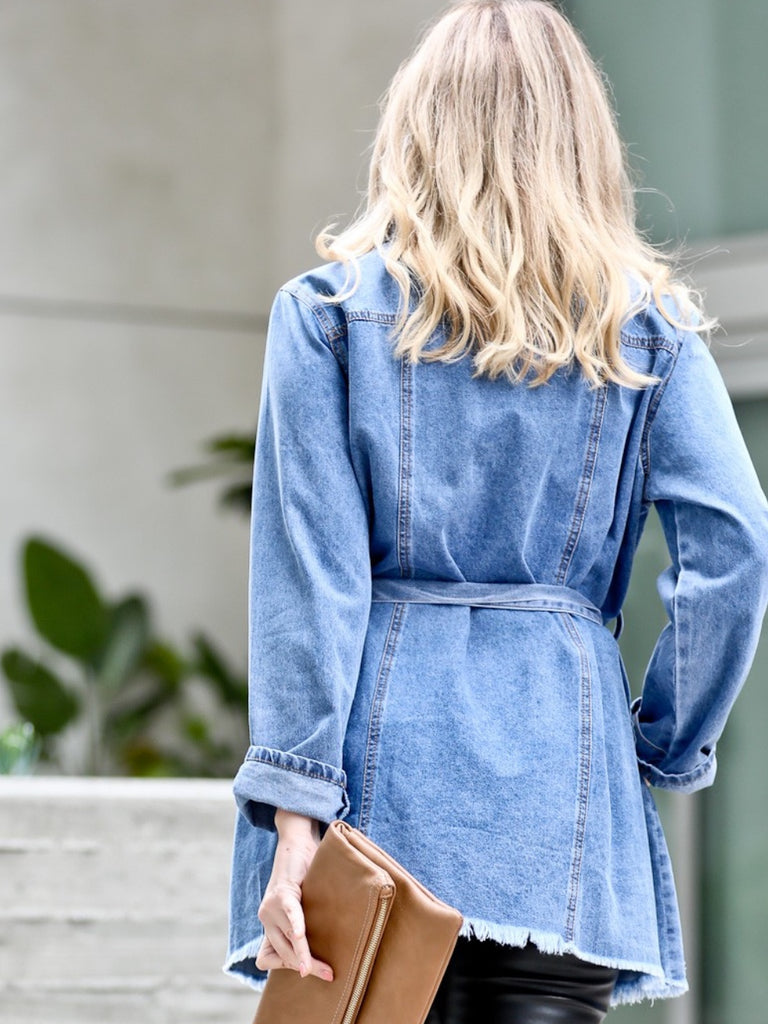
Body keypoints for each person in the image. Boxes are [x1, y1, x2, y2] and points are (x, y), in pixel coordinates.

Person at [223, 1, 768, 1020]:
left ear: (415, 132)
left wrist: (295, 816)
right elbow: (734, 550)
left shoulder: (331, 319)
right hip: (563, 819)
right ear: (583, 144)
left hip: (374, 829)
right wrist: (656, 740)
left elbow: (313, 576)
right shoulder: (648, 330)